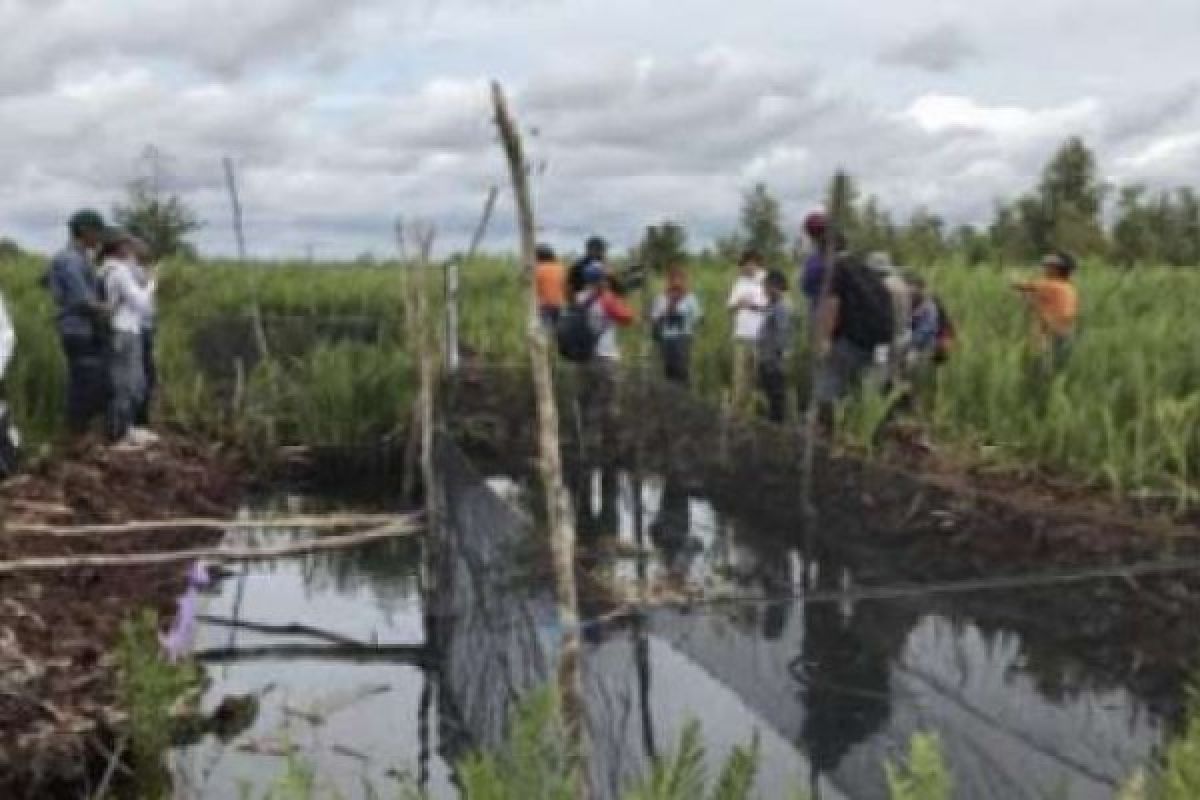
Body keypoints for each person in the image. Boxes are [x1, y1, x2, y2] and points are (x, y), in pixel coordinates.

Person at [812, 251, 896, 429]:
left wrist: (825, 339)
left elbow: (833, 305)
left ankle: (826, 432)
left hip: (849, 343)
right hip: (878, 348)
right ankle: (858, 433)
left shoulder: (841, 274)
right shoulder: (885, 291)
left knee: (830, 387)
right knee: (865, 395)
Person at [48, 209, 110, 437]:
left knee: (89, 383)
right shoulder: (70, 260)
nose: (100, 237)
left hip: (85, 328)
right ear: (84, 231)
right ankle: (76, 437)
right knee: (85, 384)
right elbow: (82, 300)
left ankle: (81, 436)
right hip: (77, 329)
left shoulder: (81, 258)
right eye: (97, 231)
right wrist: (110, 308)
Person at [98, 229, 157, 447]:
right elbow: (140, 303)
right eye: (129, 245)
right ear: (120, 248)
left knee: (130, 383)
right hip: (125, 330)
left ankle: (127, 430)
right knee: (126, 385)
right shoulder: (120, 271)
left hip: (120, 329)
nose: (133, 249)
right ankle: (119, 436)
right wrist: (152, 285)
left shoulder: (105, 269)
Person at [1013, 250, 1078, 370]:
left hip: (1051, 334)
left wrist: (1014, 279)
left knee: (1044, 366)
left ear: (1057, 270)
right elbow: (1036, 302)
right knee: (1058, 367)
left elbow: (1022, 285)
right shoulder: (1068, 288)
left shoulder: (1051, 285)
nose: (1045, 269)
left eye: (1049, 266)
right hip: (1066, 332)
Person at [866, 252, 913, 390]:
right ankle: (898, 405)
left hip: (885, 341)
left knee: (878, 376)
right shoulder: (900, 283)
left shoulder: (881, 286)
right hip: (903, 336)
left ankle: (879, 406)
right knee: (895, 375)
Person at [727, 249, 767, 412]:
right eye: (745, 264)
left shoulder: (766, 280)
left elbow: (772, 305)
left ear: (757, 264)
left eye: (751, 264)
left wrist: (752, 305)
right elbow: (730, 306)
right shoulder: (739, 283)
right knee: (739, 376)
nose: (747, 267)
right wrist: (739, 304)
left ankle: (759, 410)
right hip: (741, 336)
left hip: (760, 336)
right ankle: (738, 410)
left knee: (759, 375)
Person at [650, 265, 702, 386]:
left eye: (679, 278)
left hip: (683, 337)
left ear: (683, 280)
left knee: (682, 371)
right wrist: (665, 314)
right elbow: (654, 318)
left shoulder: (690, 297)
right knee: (668, 372)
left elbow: (698, 317)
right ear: (668, 281)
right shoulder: (661, 297)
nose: (676, 281)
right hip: (666, 338)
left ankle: (684, 399)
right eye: (672, 278)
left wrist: (685, 318)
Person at [757, 270, 793, 424]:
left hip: (774, 357)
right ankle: (773, 420)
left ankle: (777, 424)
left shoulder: (781, 307)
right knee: (769, 390)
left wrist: (781, 354)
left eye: (766, 287)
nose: (764, 291)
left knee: (776, 392)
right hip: (766, 355)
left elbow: (782, 331)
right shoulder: (771, 305)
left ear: (775, 287)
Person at [131, 236, 158, 427]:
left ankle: (141, 416)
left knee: (147, 373)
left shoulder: (138, 271)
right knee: (144, 374)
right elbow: (142, 299)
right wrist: (152, 281)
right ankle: (139, 418)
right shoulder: (135, 273)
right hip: (139, 329)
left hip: (145, 327)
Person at [533, 244, 567, 328]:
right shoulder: (560, 268)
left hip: (544, 306)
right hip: (559, 305)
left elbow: (536, 290)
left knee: (546, 331)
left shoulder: (538, 269)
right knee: (557, 330)